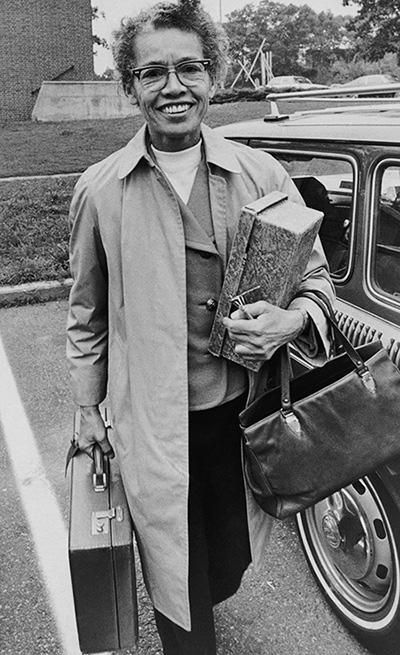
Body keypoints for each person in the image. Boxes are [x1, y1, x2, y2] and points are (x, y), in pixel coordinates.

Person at [66, 1, 335, 653]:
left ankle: (200, 593)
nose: (173, 87)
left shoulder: (263, 175)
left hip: (243, 419)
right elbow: (85, 311)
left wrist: (290, 320)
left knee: (223, 561)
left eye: (189, 67)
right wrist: (86, 409)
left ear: (214, 77)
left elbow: (317, 284)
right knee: (179, 589)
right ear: (131, 86)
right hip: (154, 429)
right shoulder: (100, 190)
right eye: (152, 72)